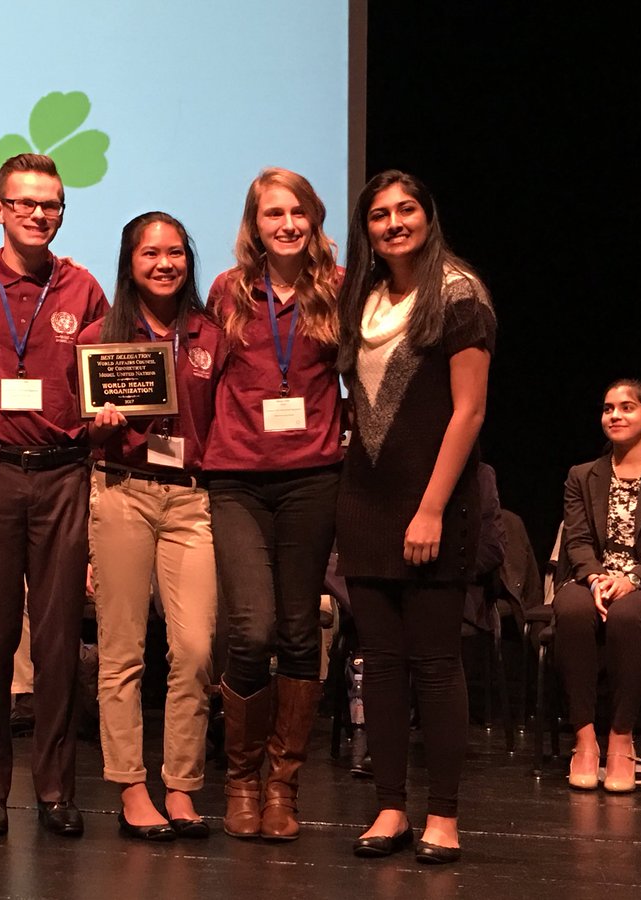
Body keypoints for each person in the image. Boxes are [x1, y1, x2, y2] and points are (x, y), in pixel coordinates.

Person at [336, 169, 495, 865]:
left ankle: (444, 815)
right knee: (383, 664)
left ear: (428, 217)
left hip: (435, 504)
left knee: (434, 663)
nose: (393, 223)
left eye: (406, 210)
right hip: (365, 502)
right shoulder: (362, 299)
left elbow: (469, 411)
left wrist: (431, 509)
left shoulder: (460, 295)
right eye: (379, 214)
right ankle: (391, 807)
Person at [0, 153, 108, 837]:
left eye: (51, 205)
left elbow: (112, 376)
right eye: (25, 203)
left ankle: (54, 790)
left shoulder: (83, 289)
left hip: (63, 473)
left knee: (55, 643)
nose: (39, 214)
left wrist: (111, 412)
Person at [201, 168, 344, 841]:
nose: (285, 224)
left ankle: (282, 786)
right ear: (253, 224)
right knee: (250, 629)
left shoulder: (338, 290)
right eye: (271, 214)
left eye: (296, 213)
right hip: (235, 480)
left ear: (313, 219)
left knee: (297, 631)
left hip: (312, 478)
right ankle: (238, 779)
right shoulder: (228, 292)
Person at [79, 212, 225, 841]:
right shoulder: (99, 337)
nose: (165, 264)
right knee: (122, 652)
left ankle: (184, 786)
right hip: (121, 491)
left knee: (193, 651)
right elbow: (77, 428)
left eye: (175, 253)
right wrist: (100, 425)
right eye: (150, 254)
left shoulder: (213, 336)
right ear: (129, 262)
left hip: (192, 502)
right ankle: (133, 788)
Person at [554, 380, 641, 793]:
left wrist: (631, 579)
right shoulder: (582, 475)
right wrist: (595, 578)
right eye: (609, 408)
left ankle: (621, 740)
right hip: (593, 578)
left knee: (628, 615)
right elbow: (576, 542)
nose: (615, 415)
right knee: (572, 608)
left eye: (627, 407)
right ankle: (585, 738)